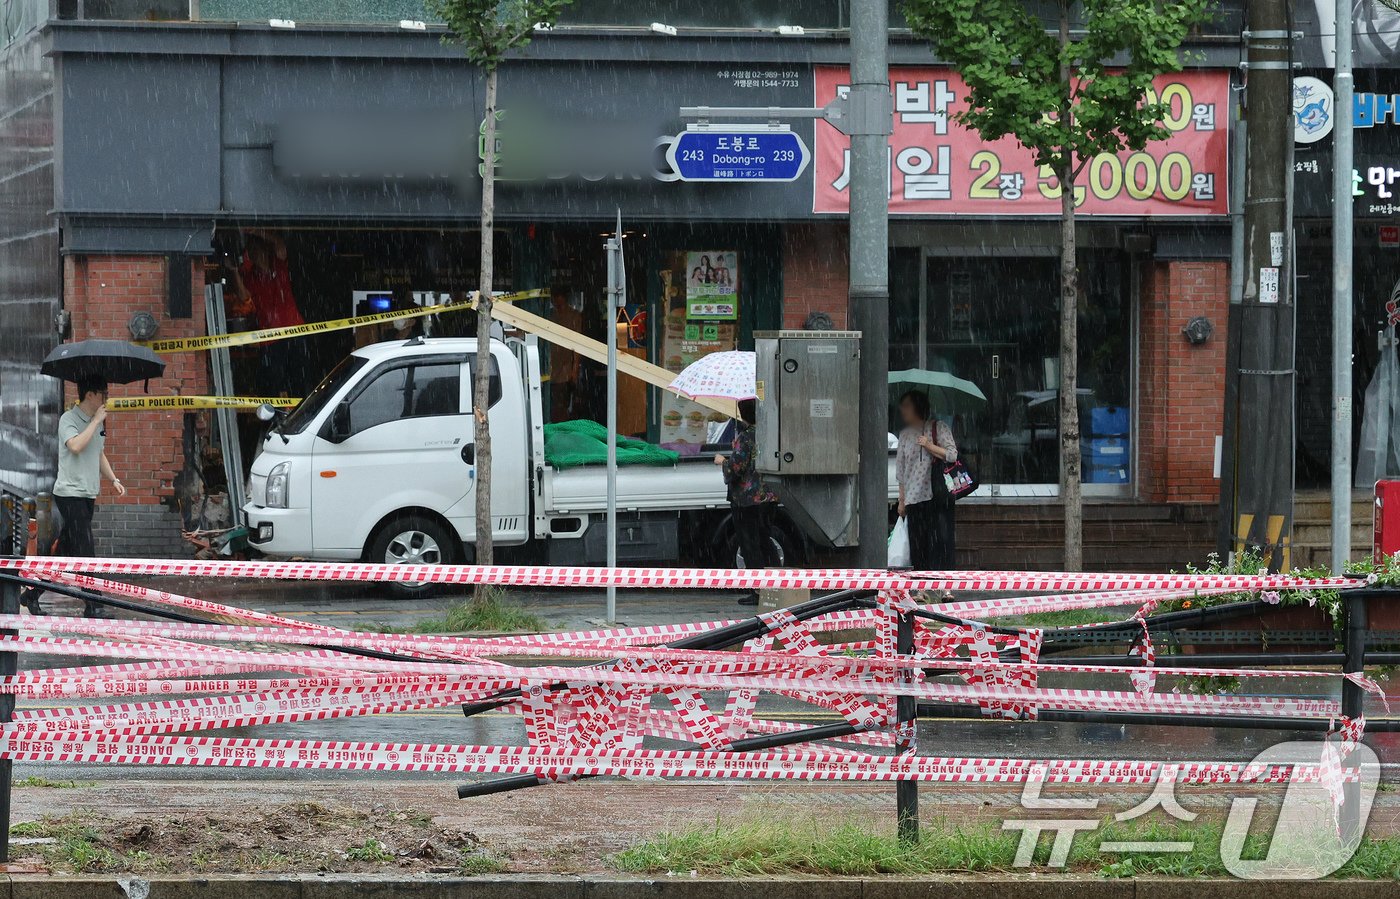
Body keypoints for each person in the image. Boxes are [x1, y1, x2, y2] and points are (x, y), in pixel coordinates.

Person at [26, 376, 126, 617]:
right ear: (90, 395)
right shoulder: (68, 419)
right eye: (103, 394)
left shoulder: (97, 422)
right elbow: (75, 446)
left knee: (66, 552)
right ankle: (94, 604)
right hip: (70, 494)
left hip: (87, 494)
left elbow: (98, 453)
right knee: (86, 550)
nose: (106, 399)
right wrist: (94, 423)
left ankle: (32, 594)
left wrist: (114, 479)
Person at [714, 399, 778, 602]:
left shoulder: (746, 437)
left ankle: (758, 592)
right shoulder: (770, 433)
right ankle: (777, 586)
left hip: (747, 501)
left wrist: (723, 461)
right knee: (765, 541)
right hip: (769, 496)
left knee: (750, 544)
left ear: (743, 415)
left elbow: (736, 468)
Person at [230, 230, 304, 396]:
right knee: (274, 383)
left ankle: (302, 414)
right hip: (270, 338)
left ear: (264, 249)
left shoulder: (278, 263)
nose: (254, 254)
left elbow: (280, 245)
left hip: (295, 331)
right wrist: (233, 270)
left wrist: (258, 231)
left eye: (256, 249)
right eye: (251, 251)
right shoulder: (250, 276)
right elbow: (243, 295)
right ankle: (279, 417)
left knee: (298, 379)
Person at [895, 390, 958, 569]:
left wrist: (929, 446)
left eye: (907, 405)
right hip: (914, 499)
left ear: (918, 406)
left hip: (938, 497)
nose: (903, 410)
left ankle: (944, 588)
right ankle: (922, 589)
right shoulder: (905, 435)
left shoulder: (939, 427)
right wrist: (902, 500)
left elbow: (952, 455)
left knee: (941, 545)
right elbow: (901, 471)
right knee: (918, 547)